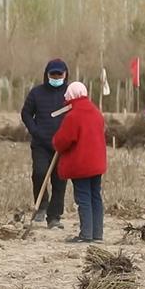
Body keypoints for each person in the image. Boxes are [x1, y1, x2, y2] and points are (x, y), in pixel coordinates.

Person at [52, 83, 107, 242]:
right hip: (96, 163)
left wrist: (56, 142)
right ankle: (97, 234)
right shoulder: (96, 112)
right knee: (95, 197)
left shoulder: (74, 115)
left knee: (83, 198)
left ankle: (86, 235)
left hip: (81, 164)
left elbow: (63, 141)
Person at [21, 59, 70, 229]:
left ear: (65, 75)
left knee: (60, 180)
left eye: (59, 74)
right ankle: (41, 205)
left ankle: (54, 217)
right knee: (39, 173)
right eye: (53, 74)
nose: (56, 77)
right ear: (47, 75)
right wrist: (35, 131)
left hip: (63, 146)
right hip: (41, 144)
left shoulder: (69, 94)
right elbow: (26, 114)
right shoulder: (36, 93)